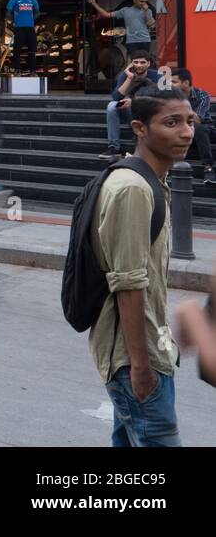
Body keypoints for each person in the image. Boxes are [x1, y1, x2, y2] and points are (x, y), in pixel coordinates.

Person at [90, 89, 193, 447]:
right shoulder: (133, 188)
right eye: (172, 122)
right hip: (138, 358)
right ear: (139, 128)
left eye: (189, 121)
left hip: (149, 350)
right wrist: (141, 367)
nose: (186, 132)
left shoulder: (151, 182)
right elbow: (128, 283)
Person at [99, 51, 165, 160]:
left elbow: (162, 98)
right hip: (129, 111)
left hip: (148, 111)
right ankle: (114, 148)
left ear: (148, 64)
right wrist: (129, 78)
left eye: (142, 62)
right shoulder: (125, 75)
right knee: (111, 106)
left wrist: (134, 101)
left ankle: (141, 145)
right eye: (136, 62)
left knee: (132, 106)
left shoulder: (157, 76)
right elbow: (116, 97)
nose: (139, 65)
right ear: (131, 63)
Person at [172, 68, 216, 185]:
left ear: (185, 83)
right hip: (182, 131)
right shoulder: (172, 96)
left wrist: (181, 102)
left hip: (204, 129)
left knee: (199, 128)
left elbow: (197, 119)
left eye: (174, 82)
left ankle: (208, 168)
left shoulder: (202, 95)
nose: (171, 85)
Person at [89, 0, 155, 58]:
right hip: (131, 41)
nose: (143, 3)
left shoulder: (148, 11)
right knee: (134, 61)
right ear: (135, 0)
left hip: (145, 40)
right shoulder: (125, 10)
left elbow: (151, 24)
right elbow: (106, 14)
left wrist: (146, 11)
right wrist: (94, 4)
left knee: (145, 61)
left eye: (145, 2)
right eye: (141, 1)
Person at [5, 0, 40, 76]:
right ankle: (17, 70)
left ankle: (32, 71)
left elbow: (37, 12)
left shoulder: (33, 0)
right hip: (19, 27)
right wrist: (13, 21)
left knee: (32, 49)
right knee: (17, 49)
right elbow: (8, 13)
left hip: (30, 28)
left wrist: (31, 20)